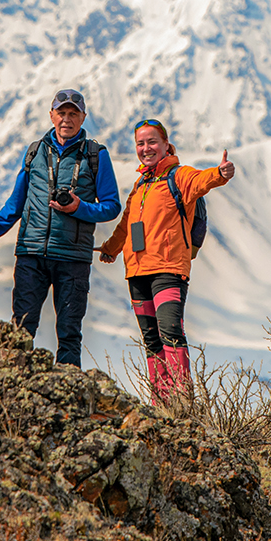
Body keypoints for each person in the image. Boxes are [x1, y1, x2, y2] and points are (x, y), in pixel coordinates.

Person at [98, 119, 234, 401]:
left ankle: (183, 403)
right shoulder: (141, 184)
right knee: (151, 342)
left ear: (165, 145)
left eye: (151, 142)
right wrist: (111, 248)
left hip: (168, 270)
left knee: (171, 333)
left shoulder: (179, 176)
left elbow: (202, 181)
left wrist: (220, 174)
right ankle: (162, 405)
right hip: (136, 272)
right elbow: (127, 224)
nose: (146, 148)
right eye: (140, 143)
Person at [0, 88, 120, 366]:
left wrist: (79, 208)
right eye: (62, 113)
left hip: (73, 259)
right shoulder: (34, 152)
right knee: (21, 328)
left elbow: (111, 206)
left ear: (83, 117)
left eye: (73, 113)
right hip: (31, 255)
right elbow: (15, 206)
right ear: (51, 115)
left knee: (70, 332)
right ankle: (15, 388)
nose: (67, 119)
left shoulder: (96, 155)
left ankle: (70, 398)